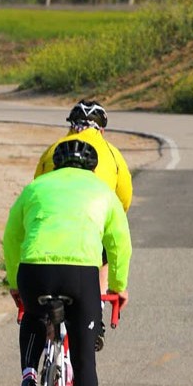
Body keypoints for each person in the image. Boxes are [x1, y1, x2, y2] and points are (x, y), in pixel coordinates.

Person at [4, 139, 132, 386]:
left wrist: (14, 281)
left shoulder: (34, 187)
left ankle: (29, 378)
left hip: (35, 270)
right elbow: (120, 242)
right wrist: (118, 286)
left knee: (32, 316)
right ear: (90, 168)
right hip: (80, 274)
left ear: (57, 166)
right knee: (85, 359)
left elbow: (11, 236)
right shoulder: (102, 191)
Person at [34, 100, 133, 299]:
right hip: (93, 225)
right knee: (104, 251)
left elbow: (37, 186)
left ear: (71, 126)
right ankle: (99, 303)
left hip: (50, 228)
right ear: (101, 130)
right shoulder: (112, 153)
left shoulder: (52, 150)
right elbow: (124, 198)